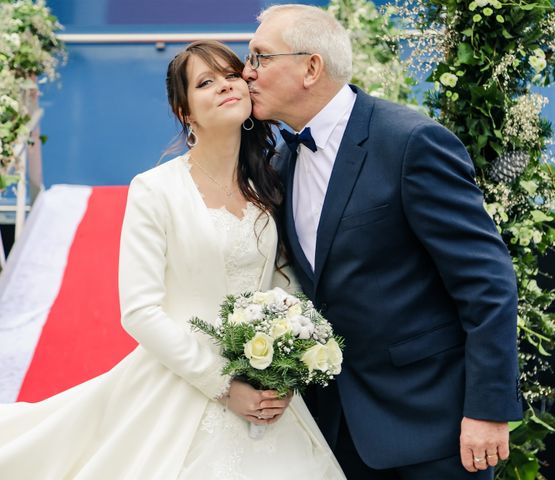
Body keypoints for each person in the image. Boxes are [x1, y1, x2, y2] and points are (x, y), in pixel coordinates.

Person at [0, 40, 345, 479]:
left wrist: (284, 368)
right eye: (205, 82)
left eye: (231, 75)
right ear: (186, 113)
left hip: (265, 390)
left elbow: (282, 283)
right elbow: (139, 310)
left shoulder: (268, 185)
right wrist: (223, 386)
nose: (224, 86)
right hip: (185, 380)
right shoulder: (154, 190)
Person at [242, 4, 523, 479]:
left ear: (311, 67)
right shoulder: (283, 165)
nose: (247, 72)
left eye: (261, 57)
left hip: (434, 428)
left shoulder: (411, 142)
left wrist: (489, 410)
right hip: (335, 434)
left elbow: (487, 283)